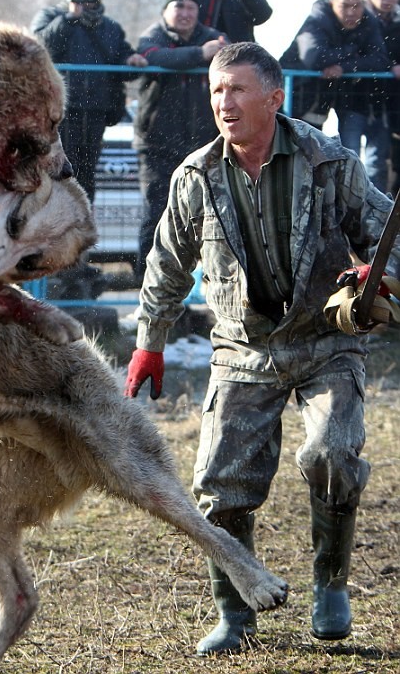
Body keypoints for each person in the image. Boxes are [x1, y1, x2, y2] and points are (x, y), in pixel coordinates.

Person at [124, 42, 400, 655]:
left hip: (327, 343)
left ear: (275, 98)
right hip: (243, 349)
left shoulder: (329, 161)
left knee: (332, 453)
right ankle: (236, 610)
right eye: (217, 91)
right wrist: (151, 343)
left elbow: (388, 235)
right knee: (219, 486)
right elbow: (167, 265)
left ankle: (332, 586)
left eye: (238, 90)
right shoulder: (196, 174)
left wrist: (379, 278)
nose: (225, 102)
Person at [30, 0, 147, 203]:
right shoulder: (51, 16)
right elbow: (38, 48)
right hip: (58, 114)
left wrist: (132, 60)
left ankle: (81, 230)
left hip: (94, 112)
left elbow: (122, 61)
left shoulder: (109, 27)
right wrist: (70, 17)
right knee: (55, 174)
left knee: (85, 176)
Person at [134, 0, 228, 276]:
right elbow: (157, 57)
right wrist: (200, 55)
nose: (185, 13)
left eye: (190, 7)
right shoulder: (153, 36)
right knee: (156, 213)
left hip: (202, 142)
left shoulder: (213, 36)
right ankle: (145, 282)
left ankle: (201, 286)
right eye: (178, 6)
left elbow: (229, 57)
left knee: (207, 215)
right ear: (166, 10)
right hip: (157, 143)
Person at [280, 0, 390, 191]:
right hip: (300, 94)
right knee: (296, 155)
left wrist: (344, 66)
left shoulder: (367, 21)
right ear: (332, 3)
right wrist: (353, 50)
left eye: (356, 6)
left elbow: (381, 59)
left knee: (345, 156)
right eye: (345, 6)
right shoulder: (318, 18)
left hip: (337, 94)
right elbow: (313, 57)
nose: (352, 12)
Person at [365, 0, 400, 196]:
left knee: (383, 158)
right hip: (360, 97)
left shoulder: (397, 23)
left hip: (392, 101)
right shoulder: (360, 20)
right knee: (360, 157)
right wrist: (389, 66)